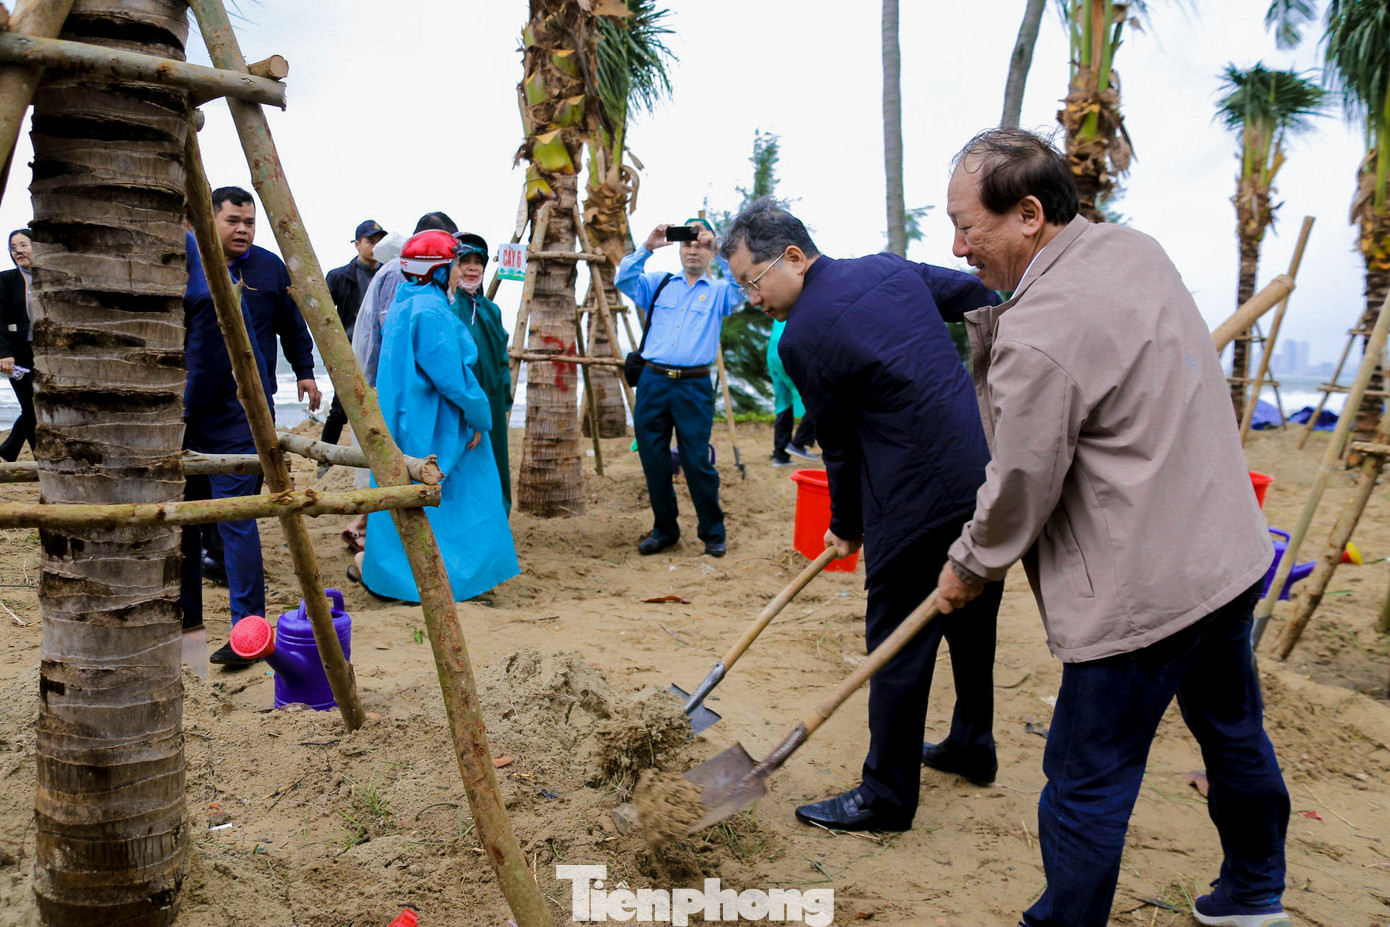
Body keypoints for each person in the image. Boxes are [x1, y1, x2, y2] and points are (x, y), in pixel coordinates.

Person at [934, 128, 1288, 927]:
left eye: (968, 225)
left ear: (1028, 213)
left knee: (1087, 774)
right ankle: (1255, 892)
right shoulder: (1135, 250)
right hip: (1225, 554)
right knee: (1233, 730)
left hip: (1142, 591)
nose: (958, 246)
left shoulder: (1037, 333)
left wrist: (970, 563)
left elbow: (1021, 482)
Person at [722, 197, 1006, 832]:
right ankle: (971, 743)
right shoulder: (890, 269)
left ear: (793, 257)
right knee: (972, 616)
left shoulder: (802, 338)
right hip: (985, 478)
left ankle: (886, 796)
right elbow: (976, 294)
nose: (751, 297)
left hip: (912, 501)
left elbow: (841, 447)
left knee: (898, 644)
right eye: (741, 285)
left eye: (752, 279)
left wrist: (847, 526)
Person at [353, 230, 518, 602]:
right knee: (464, 498)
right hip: (437, 424)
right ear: (439, 270)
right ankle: (458, 581)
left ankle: (390, 578)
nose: (461, 272)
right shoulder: (431, 310)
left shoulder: (404, 301)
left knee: (406, 503)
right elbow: (455, 380)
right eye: (456, 264)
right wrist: (479, 417)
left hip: (405, 421)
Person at [615, 218, 745, 557]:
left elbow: (742, 289)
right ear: (679, 248)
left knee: (696, 461)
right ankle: (665, 531)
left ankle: (713, 533)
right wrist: (648, 246)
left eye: (701, 244)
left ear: (709, 251)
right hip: (654, 382)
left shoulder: (719, 292)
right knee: (653, 460)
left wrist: (719, 250)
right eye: (687, 243)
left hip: (694, 386)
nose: (693, 249)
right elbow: (623, 278)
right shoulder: (659, 284)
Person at [179, 229, 274, 668]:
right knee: (188, 523)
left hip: (232, 421)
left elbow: (200, 374)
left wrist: (173, 421)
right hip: (203, 420)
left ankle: (248, 633)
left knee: (234, 524)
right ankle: (187, 623)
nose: (242, 229)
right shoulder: (203, 270)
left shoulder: (205, 290)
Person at [211, 186, 322, 414]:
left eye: (249, 223)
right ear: (210, 220)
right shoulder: (192, 265)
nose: (242, 230)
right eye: (232, 221)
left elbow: (292, 327)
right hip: (202, 391)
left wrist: (305, 372)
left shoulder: (271, 268)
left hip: (256, 393)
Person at [449, 232, 513, 514]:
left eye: (479, 262)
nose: (473, 267)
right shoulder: (446, 306)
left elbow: (502, 360)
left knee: (494, 463)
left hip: (493, 405)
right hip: (459, 403)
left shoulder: (491, 310)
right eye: (466, 261)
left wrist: (503, 402)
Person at [321, 219, 387, 450]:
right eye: (370, 241)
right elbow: (324, 318)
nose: (375, 246)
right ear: (357, 244)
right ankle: (323, 463)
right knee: (340, 409)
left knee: (384, 406)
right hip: (350, 352)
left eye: (380, 241)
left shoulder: (389, 275)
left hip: (381, 351)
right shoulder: (339, 277)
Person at [0, 229, 35, 461]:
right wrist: (4, 353)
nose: (18, 251)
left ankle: (8, 451)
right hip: (19, 355)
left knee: (39, 407)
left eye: (24, 245)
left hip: (54, 354)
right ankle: (39, 457)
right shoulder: (5, 279)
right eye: (13, 247)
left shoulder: (55, 278)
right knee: (31, 407)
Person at [766, 318, 817, 467]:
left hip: (773, 351)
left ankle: (780, 455)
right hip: (789, 348)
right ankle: (799, 442)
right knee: (819, 395)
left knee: (783, 402)